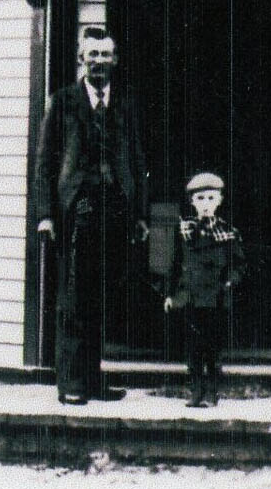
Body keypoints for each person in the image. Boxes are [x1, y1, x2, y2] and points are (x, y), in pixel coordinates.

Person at [33, 22, 149, 405]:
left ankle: (94, 379)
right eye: (92, 54)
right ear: (81, 59)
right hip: (76, 211)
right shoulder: (63, 100)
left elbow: (136, 158)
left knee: (102, 295)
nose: (98, 61)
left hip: (115, 208)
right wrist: (46, 213)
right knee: (73, 297)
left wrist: (140, 213)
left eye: (105, 54)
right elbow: (46, 163)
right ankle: (71, 384)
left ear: (114, 60)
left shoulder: (126, 102)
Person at [163, 170, 246, 408]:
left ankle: (211, 391)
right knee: (193, 348)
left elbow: (238, 264)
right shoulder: (185, 231)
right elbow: (173, 265)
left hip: (215, 299)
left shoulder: (227, 233)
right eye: (200, 199)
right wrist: (170, 294)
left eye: (211, 198)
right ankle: (196, 390)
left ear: (219, 200)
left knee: (212, 347)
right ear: (192, 202)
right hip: (189, 297)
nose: (206, 204)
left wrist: (230, 280)